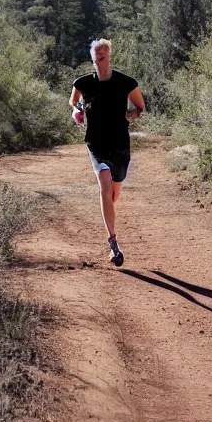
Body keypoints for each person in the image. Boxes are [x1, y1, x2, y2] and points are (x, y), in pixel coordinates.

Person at [69, 38, 145, 266]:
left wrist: (132, 115)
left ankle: (109, 213)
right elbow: (74, 102)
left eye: (101, 57)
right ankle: (113, 243)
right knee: (104, 182)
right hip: (95, 141)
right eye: (95, 58)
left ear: (109, 56)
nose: (98, 61)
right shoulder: (83, 83)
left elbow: (139, 106)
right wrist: (77, 112)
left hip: (119, 142)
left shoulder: (126, 82)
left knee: (113, 193)